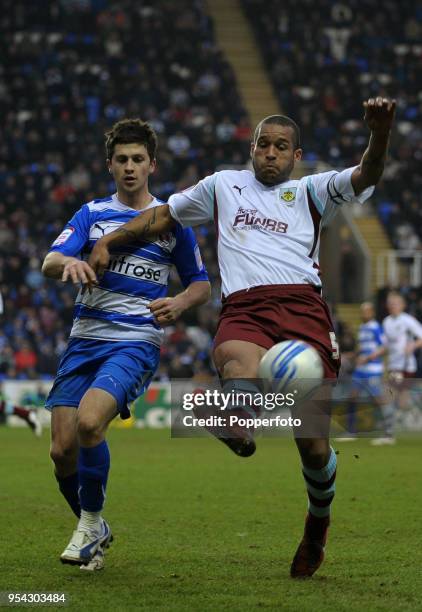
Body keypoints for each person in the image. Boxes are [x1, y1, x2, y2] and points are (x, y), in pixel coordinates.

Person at [88, 97, 396, 578]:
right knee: (236, 358)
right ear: (251, 149)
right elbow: (163, 216)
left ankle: (318, 524)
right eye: (263, 145)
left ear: (296, 157)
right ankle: (236, 417)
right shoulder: (223, 186)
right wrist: (109, 240)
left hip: (303, 309)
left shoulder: (314, 191)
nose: (270, 154)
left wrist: (379, 134)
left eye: (281, 147)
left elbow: (367, 174)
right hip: (246, 306)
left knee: (312, 445)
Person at [42, 119, 210, 571]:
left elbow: (200, 284)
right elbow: (50, 260)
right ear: (110, 165)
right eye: (122, 160)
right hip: (84, 340)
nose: (130, 167)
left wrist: (179, 301)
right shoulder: (91, 214)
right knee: (61, 451)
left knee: (90, 423)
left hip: (134, 340)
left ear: (152, 164)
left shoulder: (172, 221)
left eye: (138, 159)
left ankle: (89, 522)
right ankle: (93, 527)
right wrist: (69, 266)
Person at [376, 292, 422, 445]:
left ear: (403, 305)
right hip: (393, 366)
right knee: (399, 401)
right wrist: (374, 356)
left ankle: (388, 434)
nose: (392, 306)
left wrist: (413, 345)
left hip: (406, 366)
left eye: (395, 303)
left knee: (388, 396)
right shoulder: (386, 322)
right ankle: (389, 433)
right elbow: (387, 345)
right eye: (390, 303)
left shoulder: (407, 321)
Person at [340, 302, 386, 440]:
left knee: (377, 400)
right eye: (362, 311)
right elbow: (362, 348)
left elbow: (384, 347)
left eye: (366, 311)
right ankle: (351, 431)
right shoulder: (362, 328)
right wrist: (351, 355)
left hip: (373, 369)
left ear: (371, 312)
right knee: (352, 397)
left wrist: (367, 358)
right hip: (360, 370)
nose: (363, 314)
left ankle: (387, 432)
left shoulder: (376, 327)